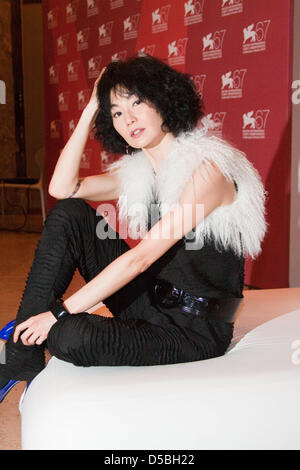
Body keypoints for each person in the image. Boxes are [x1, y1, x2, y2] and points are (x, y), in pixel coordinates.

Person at [0, 55, 266, 401]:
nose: (129, 119)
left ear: (164, 100)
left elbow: (140, 259)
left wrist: (59, 313)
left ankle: (20, 351)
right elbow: (61, 189)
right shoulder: (139, 172)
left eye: (137, 102)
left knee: (68, 335)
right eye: (117, 112)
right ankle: (21, 356)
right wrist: (89, 111)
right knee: (69, 213)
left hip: (194, 328)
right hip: (151, 298)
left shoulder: (206, 171)